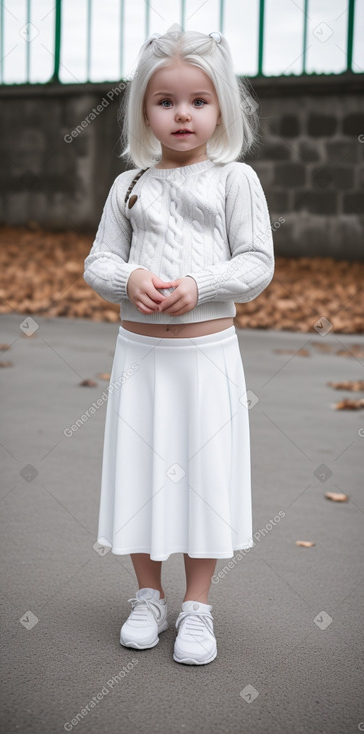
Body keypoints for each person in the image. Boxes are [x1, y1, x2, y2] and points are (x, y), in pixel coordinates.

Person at [83, 27, 275, 666]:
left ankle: (197, 605)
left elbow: (255, 263)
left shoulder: (235, 180)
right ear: (144, 109)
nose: (182, 114)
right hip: (140, 360)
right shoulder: (129, 186)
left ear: (221, 107)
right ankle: (146, 595)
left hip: (205, 360)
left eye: (198, 101)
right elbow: (100, 261)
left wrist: (202, 283)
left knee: (203, 482)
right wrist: (130, 277)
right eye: (165, 101)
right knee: (141, 478)